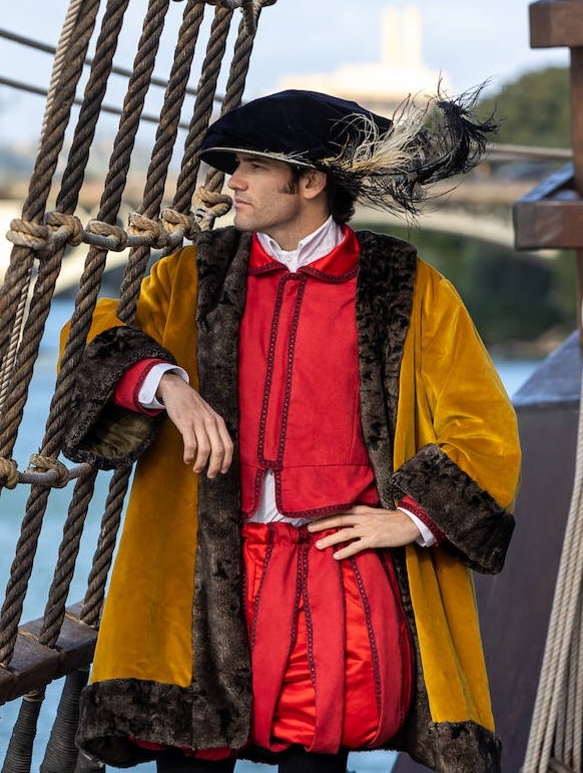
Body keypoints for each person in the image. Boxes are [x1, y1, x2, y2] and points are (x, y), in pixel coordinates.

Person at [62, 90, 520, 773]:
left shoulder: (407, 287)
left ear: (309, 182)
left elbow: (483, 426)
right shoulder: (195, 274)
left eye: (252, 166)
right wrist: (170, 385)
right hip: (203, 566)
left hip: (335, 575)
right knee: (187, 754)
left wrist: (413, 520)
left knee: (314, 763)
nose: (231, 183)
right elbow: (88, 336)